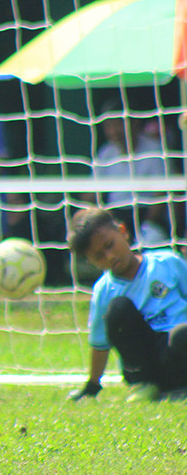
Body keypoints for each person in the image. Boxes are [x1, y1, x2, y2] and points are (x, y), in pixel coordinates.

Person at [66, 207, 187, 402]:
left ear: (123, 231)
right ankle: (144, 384)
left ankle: (178, 387)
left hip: (178, 352)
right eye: (99, 256)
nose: (109, 256)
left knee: (182, 334)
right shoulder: (104, 290)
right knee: (119, 308)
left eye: (109, 245)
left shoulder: (167, 262)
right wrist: (92, 386)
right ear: (91, 262)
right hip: (145, 363)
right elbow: (100, 344)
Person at [91, 106, 169, 245]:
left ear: (134, 123)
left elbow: (161, 195)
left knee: (152, 239)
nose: (113, 131)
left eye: (118, 123)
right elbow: (91, 195)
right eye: (108, 125)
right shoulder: (105, 153)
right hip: (114, 216)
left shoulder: (155, 149)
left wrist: (147, 224)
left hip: (146, 215)